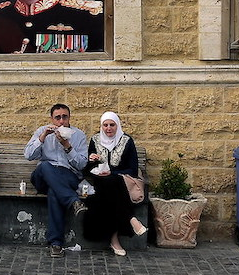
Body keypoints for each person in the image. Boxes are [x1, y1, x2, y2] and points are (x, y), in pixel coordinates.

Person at [24, 103, 89, 257]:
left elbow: (81, 164)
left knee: (55, 192)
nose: (61, 121)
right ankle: (73, 201)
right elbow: (28, 155)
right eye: (57, 118)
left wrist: (67, 146)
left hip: (67, 178)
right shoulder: (42, 131)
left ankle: (56, 244)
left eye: (64, 117)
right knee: (46, 166)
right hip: (43, 178)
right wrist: (42, 137)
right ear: (51, 119)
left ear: (69, 118)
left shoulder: (78, 135)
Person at [82, 112, 148, 256]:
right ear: (101, 126)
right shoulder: (95, 140)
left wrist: (112, 173)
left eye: (112, 125)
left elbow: (132, 169)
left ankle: (114, 239)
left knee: (111, 186)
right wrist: (91, 160)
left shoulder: (126, 141)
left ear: (117, 126)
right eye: (105, 125)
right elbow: (87, 169)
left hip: (121, 182)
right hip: (100, 182)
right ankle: (130, 218)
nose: (108, 128)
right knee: (107, 185)